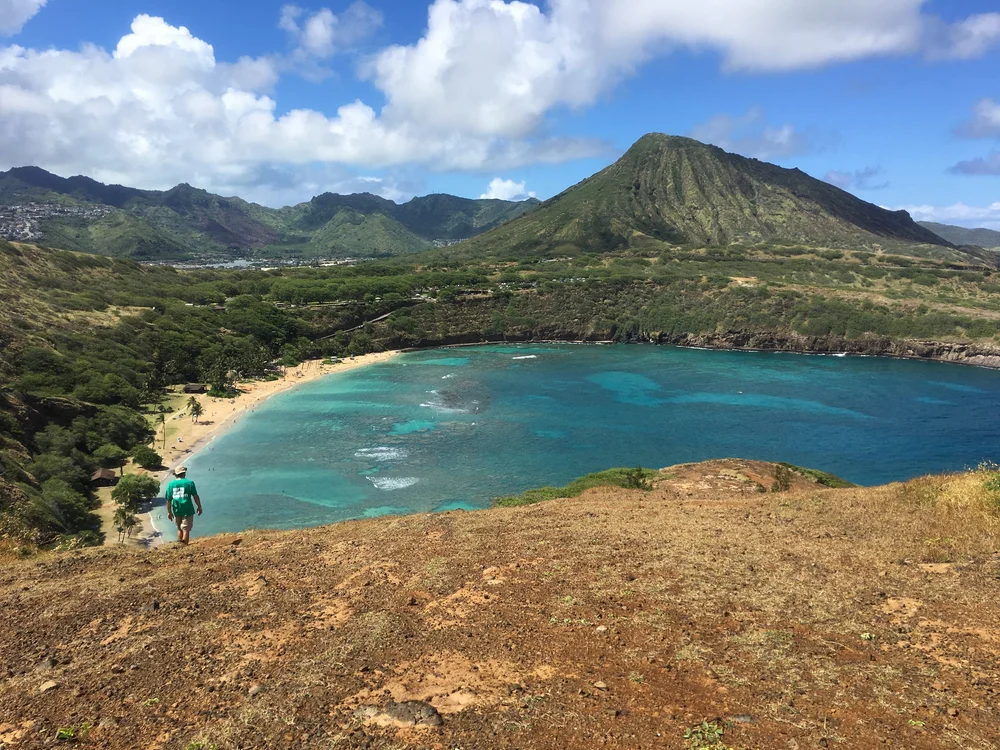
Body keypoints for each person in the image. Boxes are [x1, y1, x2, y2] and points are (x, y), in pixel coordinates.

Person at [165, 465, 202, 544]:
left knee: (179, 529)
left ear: (176, 474)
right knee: (186, 530)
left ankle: (180, 546)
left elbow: (168, 500)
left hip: (176, 509)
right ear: (184, 473)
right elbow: (195, 496)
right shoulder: (189, 483)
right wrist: (199, 506)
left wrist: (169, 512)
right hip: (187, 509)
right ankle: (184, 546)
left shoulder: (170, 484)